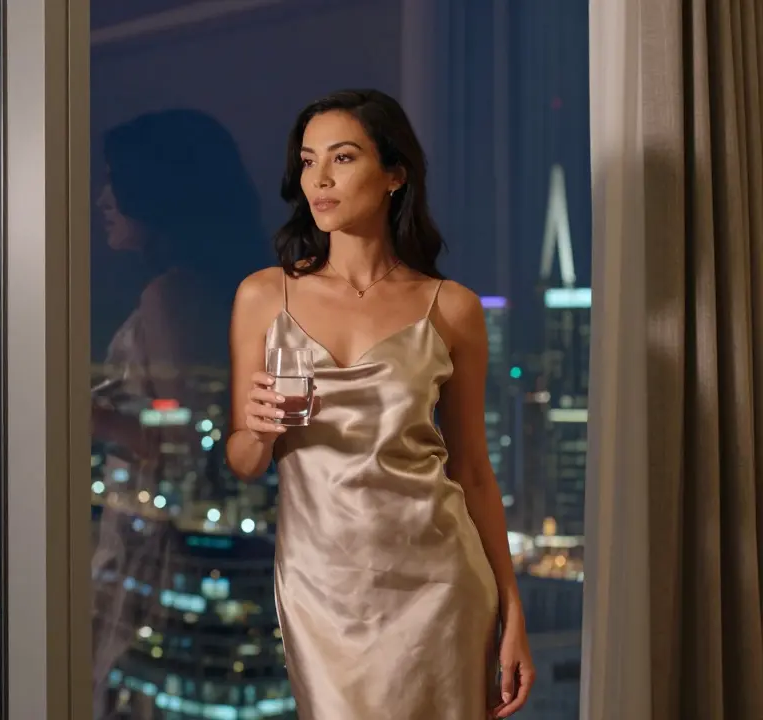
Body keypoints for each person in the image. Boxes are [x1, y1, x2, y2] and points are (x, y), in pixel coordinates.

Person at [225, 89, 535, 720]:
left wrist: (512, 609)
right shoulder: (263, 296)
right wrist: (256, 431)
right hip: (320, 588)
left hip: (441, 585)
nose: (320, 178)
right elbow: (244, 461)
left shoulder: (452, 308)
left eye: (342, 158)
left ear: (395, 174)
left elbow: (472, 471)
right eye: (309, 161)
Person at [90, 108, 267, 718]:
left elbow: (191, 452)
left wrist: (88, 417)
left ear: (157, 188)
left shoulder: (172, 296)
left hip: (165, 549)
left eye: (116, 180)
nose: (102, 198)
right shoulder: (217, 290)